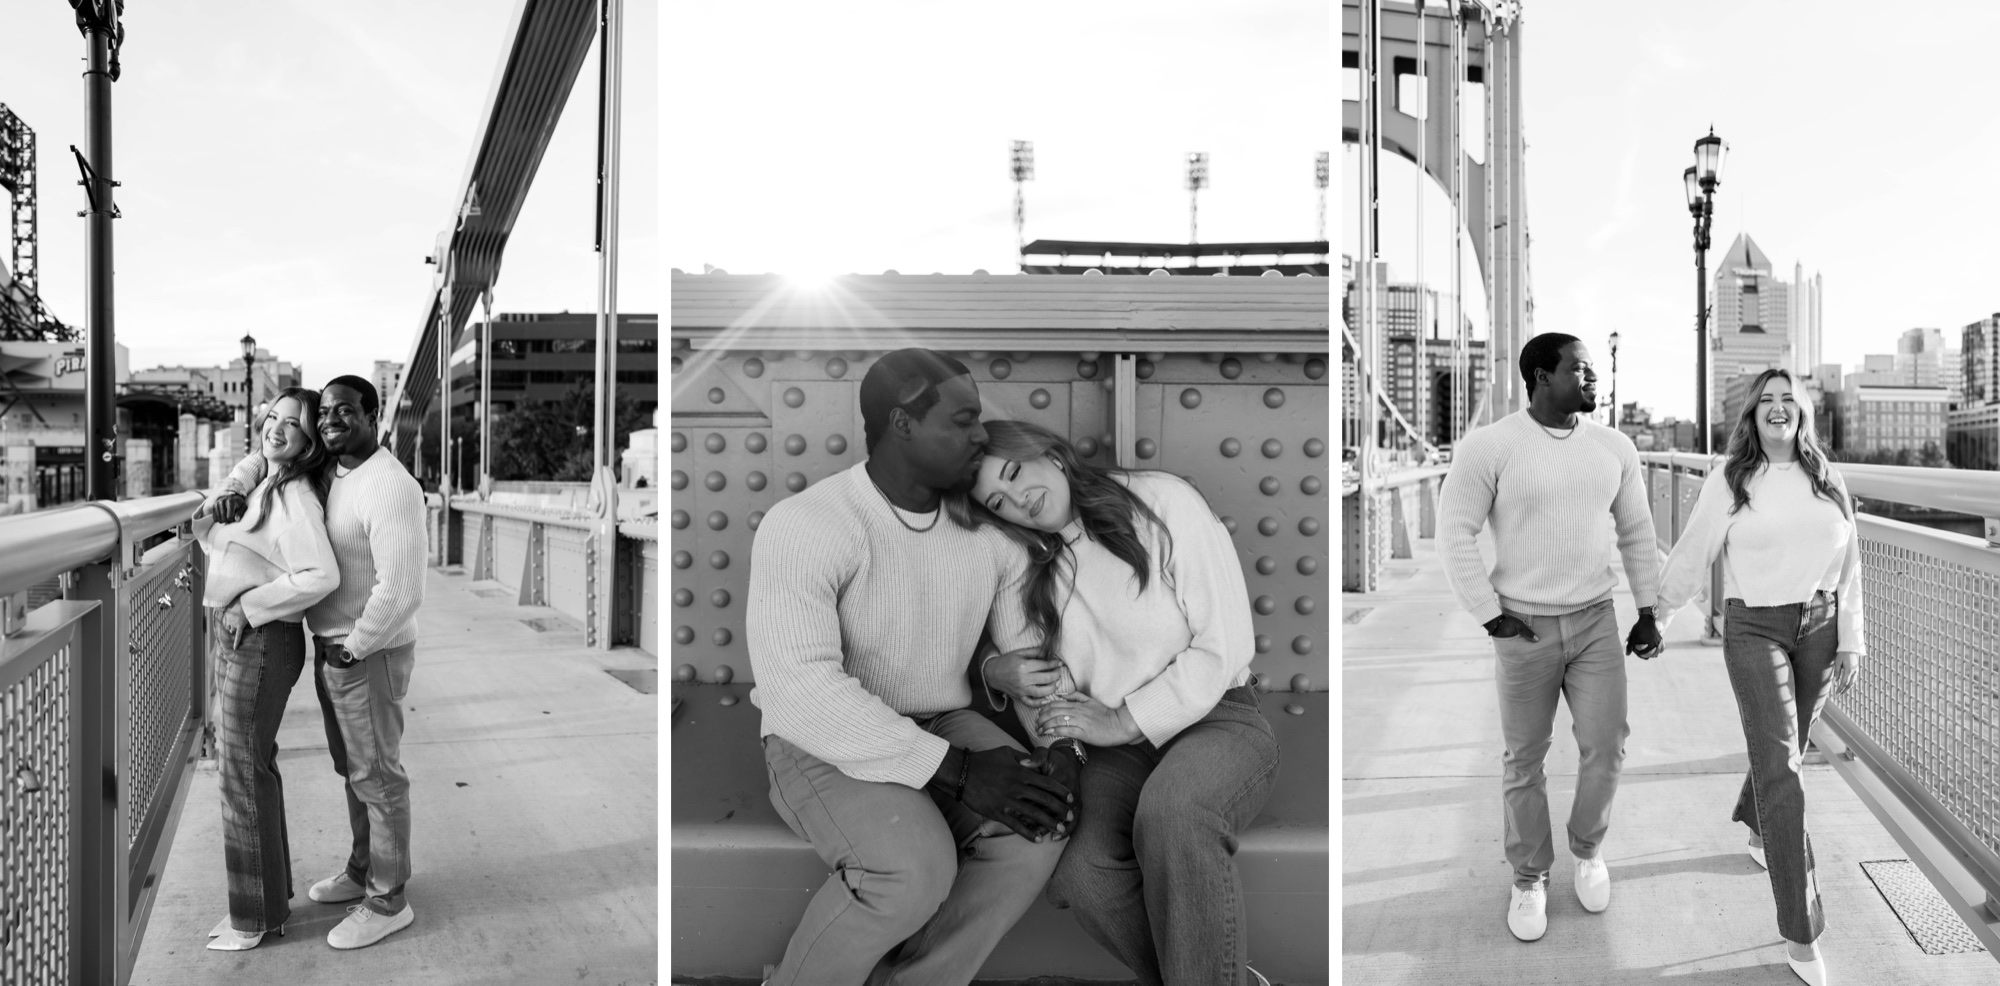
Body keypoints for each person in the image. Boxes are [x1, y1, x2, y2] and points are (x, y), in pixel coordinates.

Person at [747, 349, 1075, 985]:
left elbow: (1034, 663)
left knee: (1040, 822)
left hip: (941, 722)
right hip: (820, 739)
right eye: (963, 420)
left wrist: (1061, 745)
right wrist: (957, 771)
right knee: (911, 871)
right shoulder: (807, 524)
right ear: (902, 423)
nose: (980, 435)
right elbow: (800, 689)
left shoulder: (991, 534)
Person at [965, 420, 1277, 986]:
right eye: (998, 502)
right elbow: (1027, 672)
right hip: (1111, 751)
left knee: (1174, 813)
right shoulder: (1023, 563)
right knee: (1078, 868)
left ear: (1050, 454)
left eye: (1013, 472)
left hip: (1217, 716)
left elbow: (1224, 644)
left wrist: (1126, 719)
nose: (1018, 499)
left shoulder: (1161, 501)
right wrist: (992, 666)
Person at [1437, 332, 1663, 943]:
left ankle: (1588, 850)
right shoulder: (1490, 446)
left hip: (1595, 620)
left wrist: (1648, 610)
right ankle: (1529, 875)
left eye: (1593, 371)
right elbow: (1454, 531)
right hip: (1523, 625)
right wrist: (1490, 615)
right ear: (1541, 376)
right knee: (1525, 758)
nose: (1594, 380)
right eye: (1580, 370)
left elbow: (1637, 532)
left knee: (1607, 745)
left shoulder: (1615, 447)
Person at [1654, 368, 1862, 986]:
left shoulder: (1827, 476)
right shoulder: (1731, 478)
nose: (1778, 408)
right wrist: (1658, 615)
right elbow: (1694, 550)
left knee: (1784, 754)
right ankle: (1802, 930)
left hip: (1820, 627)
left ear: (1803, 412)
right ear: (1752, 414)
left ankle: (1756, 822)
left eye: (1788, 399)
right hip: (1754, 629)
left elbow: (1851, 564)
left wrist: (1851, 640)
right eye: (1766, 400)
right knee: (1784, 772)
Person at [215, 374, 427, 950]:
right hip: (335, 646)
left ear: (374, 416)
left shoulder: (389, 485)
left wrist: (355, 646)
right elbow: (266, 458)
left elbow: (403, 588)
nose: (332, 420)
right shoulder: (334, 472)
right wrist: (235, 482)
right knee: (353, 769)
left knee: (378, 776)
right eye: (325, 412)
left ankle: (388, 899)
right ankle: (363, 869)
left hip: (368, 650)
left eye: (346, 410)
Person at [196, 388, 340, 951]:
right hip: (246, 636)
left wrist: (249, 606)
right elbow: (240, 481)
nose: (276, 430)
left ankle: (252, 919)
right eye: (272, 418)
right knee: (251, 769)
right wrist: (237, 482)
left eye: (292, 424)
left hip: (261, 639)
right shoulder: (264, 479)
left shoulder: (296, 496)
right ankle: (267, 905)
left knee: (240, 775)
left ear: (309, 442)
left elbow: (321, 574)